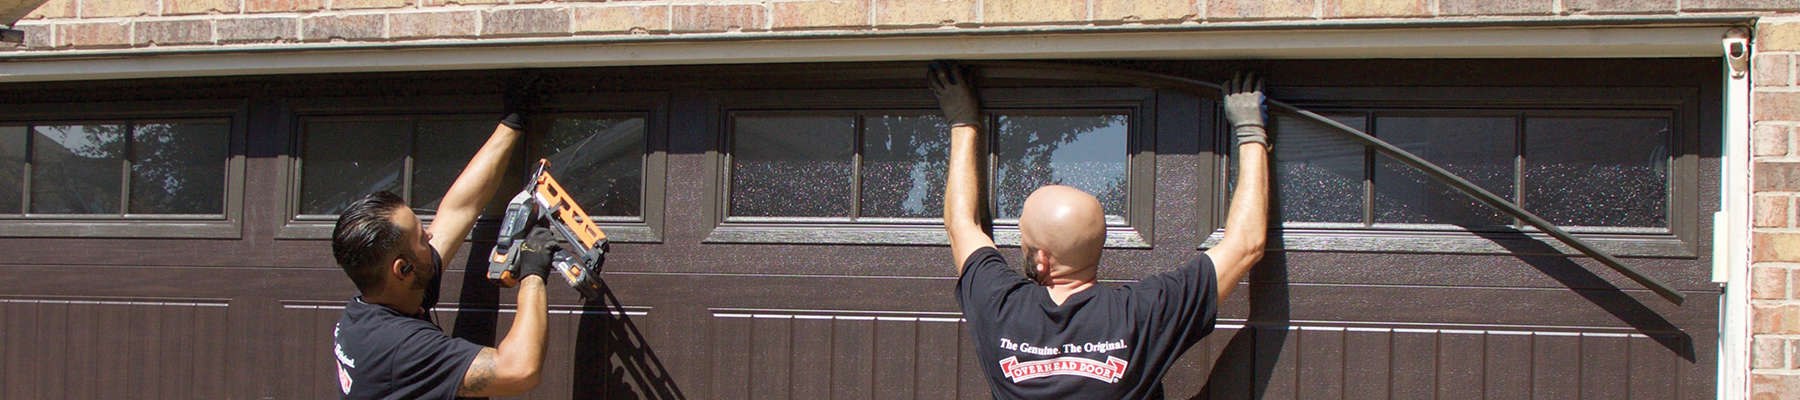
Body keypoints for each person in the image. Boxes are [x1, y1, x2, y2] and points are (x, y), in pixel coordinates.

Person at [932, 61, 1271, 399]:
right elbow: (1246, 245)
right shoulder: (1141, 312)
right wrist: (1250, 131)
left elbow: (962, 224)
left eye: (1024, 241)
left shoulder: (999, 305)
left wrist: (963, 121)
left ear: (1041, 261)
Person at [328, 93, 553, 399]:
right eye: (422, 238)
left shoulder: (373, 304)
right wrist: (533, 274)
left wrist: (511, 124)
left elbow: (459, 210)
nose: (431, 236)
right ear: (402, 269)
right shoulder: (398, 346)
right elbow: (518, 371)